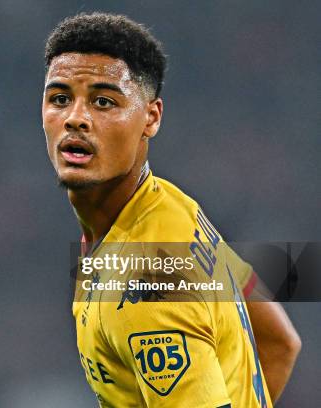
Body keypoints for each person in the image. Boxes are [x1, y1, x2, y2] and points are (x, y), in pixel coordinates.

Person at [41, 12, 300, 407]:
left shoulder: (148, 285)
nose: (75, 118)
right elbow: (279, 342)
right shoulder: (170, 206)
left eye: (104, 102)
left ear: (151, 117)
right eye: (60, 98)